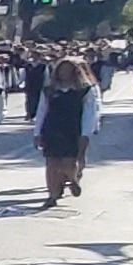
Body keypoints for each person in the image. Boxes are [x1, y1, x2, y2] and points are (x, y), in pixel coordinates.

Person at [37, 56, 94, 207]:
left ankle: (73, 180)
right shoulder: (49, 90)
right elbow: (42, 111)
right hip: (52, 128)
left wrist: (86, 133)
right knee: (51, 163)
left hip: (72, 129)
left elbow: (89, 113)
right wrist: (37, 133)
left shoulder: (84, 90)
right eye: (62, 70)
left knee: (69, 161)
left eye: (68, 70)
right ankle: (52, 195)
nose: (64, 73)